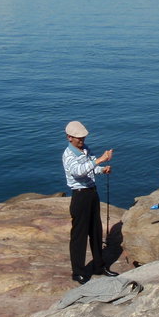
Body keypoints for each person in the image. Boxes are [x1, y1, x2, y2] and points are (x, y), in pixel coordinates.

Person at [62, 120, 118, 284]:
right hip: (80, 196)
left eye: (83, 138)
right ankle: (78, 271)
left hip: (92, 193)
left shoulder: (85, 150)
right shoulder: (68, 155)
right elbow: (78, 172)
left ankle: (99, 266)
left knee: (96, 231)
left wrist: (102, 169)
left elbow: (91, 166)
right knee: (79, 235)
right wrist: (99, 160)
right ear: (69, 137)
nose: (82, 140)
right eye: (78, 138)